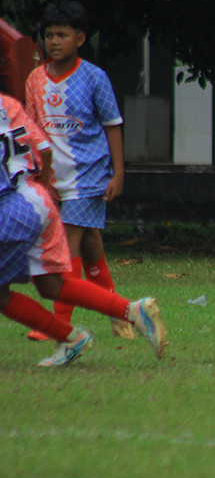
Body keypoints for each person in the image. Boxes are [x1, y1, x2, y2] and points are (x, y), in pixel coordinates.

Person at [1, 91, 167, 365]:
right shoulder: (7, 104)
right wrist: (39, 190)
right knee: (51, 284)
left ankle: (69, 337)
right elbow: (44, 150)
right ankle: (131, 311)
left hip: (8, 208)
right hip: (36, 198)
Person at [24, 0, 130, 340]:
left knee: (66, 246)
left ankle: (59, 325)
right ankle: (120, 311)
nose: (54, 42)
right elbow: (32, 132)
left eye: (62, 35)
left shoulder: (95, 78)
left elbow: (113, 126)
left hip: (89, 176)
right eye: (49, 35)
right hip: (54, 179)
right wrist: (37, 177)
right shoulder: (35, 80)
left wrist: (118, 173)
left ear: (80, 39)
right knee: (91, 246)